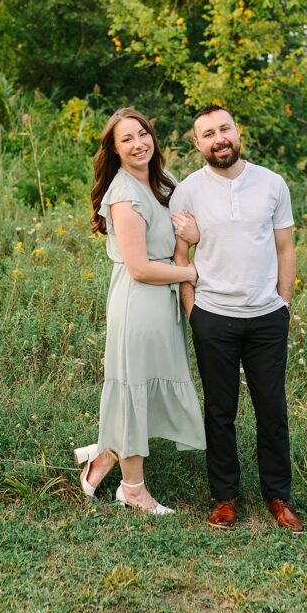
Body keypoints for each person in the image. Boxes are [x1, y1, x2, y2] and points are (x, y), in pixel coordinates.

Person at [169, 104, 303, 533]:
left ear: (237, 130)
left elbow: (285, 248)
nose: (218, 138)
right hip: (213, 317)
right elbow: (181, 258)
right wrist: (194, 314)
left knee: (272, 410)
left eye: (224, 128)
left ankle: (278, 497)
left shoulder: (271, 183)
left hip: (266, 317)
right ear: (197, 144)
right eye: (208, 133)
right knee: (220, 411)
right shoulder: (187, 191)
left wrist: (283, 304)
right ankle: (225, 497)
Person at [77, 107, 207, 515]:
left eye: (142, 134)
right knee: (135, 389)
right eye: (127, 140)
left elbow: (180, 235)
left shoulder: (160, 183)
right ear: (115, 151)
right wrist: (190, 272)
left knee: (145, 387)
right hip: (139, 301)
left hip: (162, 303)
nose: (138, 144)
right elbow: (139, 267)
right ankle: (132, 489)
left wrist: (193, 239)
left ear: (153, 136)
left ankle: (105, 456)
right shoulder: (124, 193)